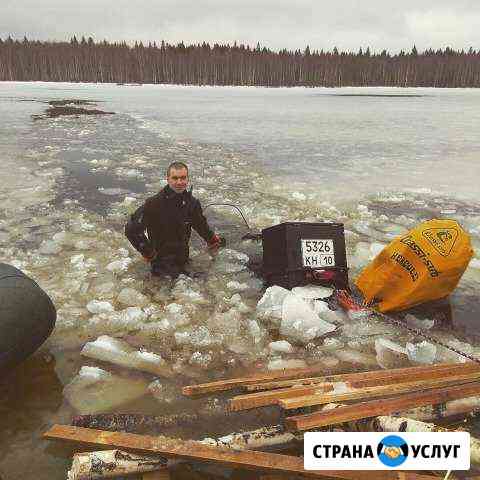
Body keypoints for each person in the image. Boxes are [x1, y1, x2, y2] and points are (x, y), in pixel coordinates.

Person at [125, 161, 223, 278]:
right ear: (168, 179)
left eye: (183, 178)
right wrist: (148, 252)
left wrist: (212, 240)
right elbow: (131, 229)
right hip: (160, 264)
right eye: (175, 178)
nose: (179, 182)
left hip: (183, 260)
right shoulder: (154, 203)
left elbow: (201, 225)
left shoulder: (191, 203)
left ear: (187, 179)